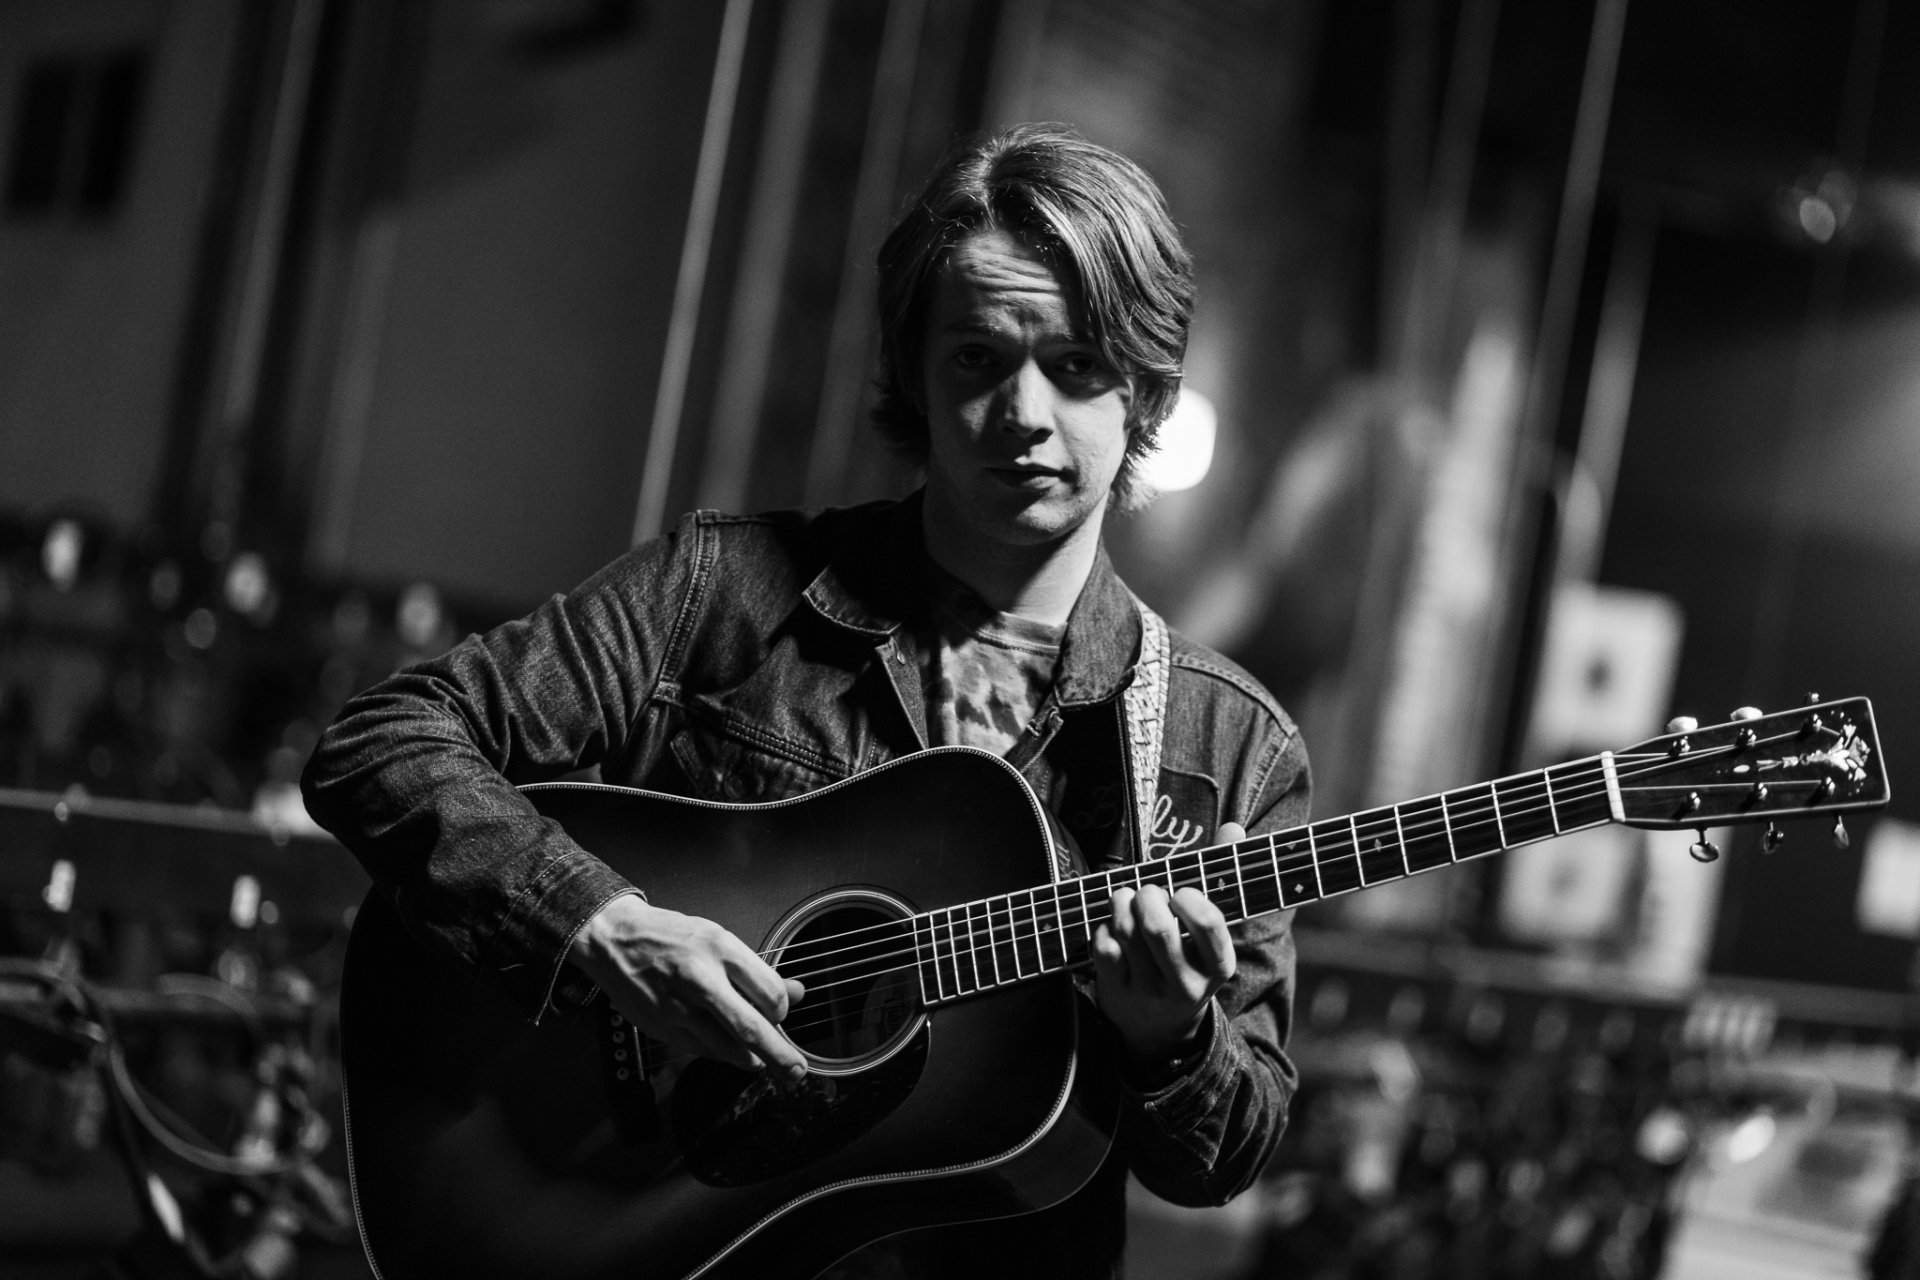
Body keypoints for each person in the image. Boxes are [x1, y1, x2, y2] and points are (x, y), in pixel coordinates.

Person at [302, 123, 1310, 1279]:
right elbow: (379, 741)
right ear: (915, 373)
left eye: (1076, 364)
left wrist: (1171, 1034)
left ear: (1147, 388)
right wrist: (602, 925)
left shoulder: (1225, 741)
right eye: (978, 358)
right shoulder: (723, 590)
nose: (1025, 413)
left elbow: (1225, 1154)